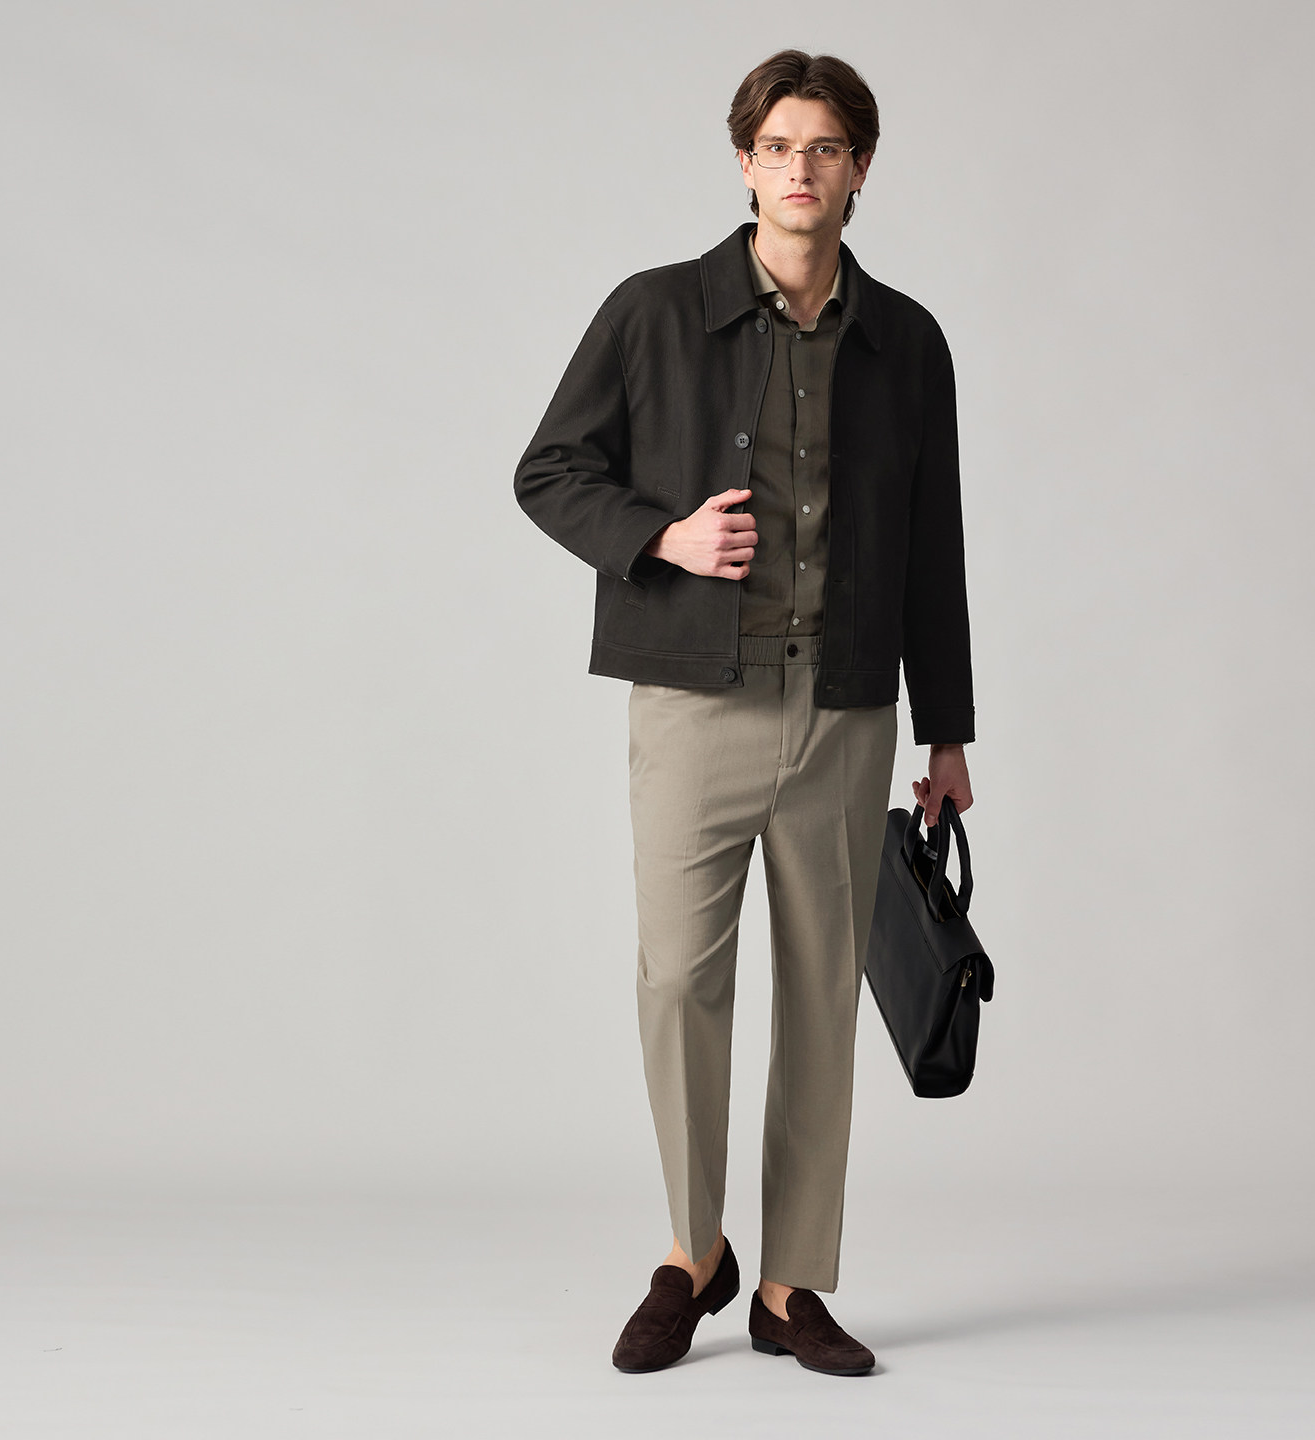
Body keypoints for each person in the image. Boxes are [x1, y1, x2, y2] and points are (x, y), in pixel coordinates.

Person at [513, 48, 975, 1377]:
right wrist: (660, 538)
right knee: (678, 981)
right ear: (743, 162)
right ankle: (692, 1250)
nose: (800, 169)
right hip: (692, 705)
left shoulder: (907, 342)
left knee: (824, 996)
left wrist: (946, 732)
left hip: (845, 712)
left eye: (825, 147)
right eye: (778, 146)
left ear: (860, 168)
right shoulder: (656, 311)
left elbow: (933, 543)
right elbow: (548, 469)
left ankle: (789, 1285)